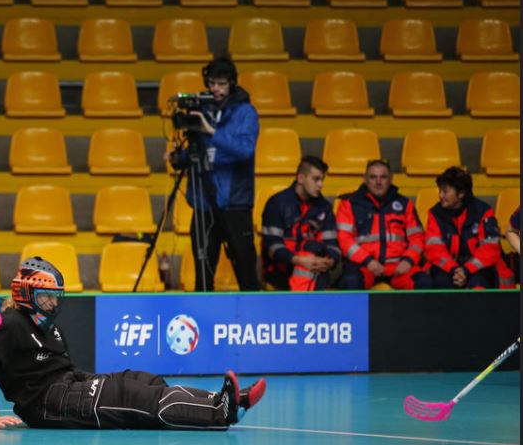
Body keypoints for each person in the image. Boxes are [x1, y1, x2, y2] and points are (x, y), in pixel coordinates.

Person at [0, 257, 266, 431]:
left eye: (56, 296)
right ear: (26, 294)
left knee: (144, 380)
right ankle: (220, 414)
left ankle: (222, 400)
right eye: (47, 296)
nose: (54, 302)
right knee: (133, 397)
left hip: (68, 383)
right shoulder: (11, 323)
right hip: (47, 404)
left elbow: (61, 368)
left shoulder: (46, 325)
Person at [167, 57, 261, 292]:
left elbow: (245, 150)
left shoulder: (246, 112)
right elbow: (198, 150)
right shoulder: (202, 108)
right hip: (204, 203)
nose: (215, 89)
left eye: (221, 84)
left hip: (234, 203)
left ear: (232, 83)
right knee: (203, 272)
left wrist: (211, 131)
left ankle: (252, 310)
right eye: (212, 83)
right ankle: (203, 313)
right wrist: (178, 158)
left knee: (246, 271)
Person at [336, 159, 430, 290]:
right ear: (365, 179)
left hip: (398, 266)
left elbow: (417, 238)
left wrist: (408, 260)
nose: (378, 182)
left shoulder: (405, 204)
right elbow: (344, 240)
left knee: (424, 282)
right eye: (373, 177)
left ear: (391, 179)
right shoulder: (350, 203)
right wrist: (368, 261)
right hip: (364, 265)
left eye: (383, 177)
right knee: (350, 282)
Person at [261, 156, 341, 291]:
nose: (320, 185)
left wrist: (330, 261)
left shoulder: (325, 208)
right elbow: (272, 247)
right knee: (310, 255)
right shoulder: (276, 204)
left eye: (322, 180)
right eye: (316, 179)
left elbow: (333, 244)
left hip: (316, 268)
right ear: (300, 178)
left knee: (314, 249)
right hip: (281, 270)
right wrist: (299, 260)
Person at [424, 167, 512, 290]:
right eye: (440, 191)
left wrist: (466, 270)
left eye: (445, 192)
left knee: (479, 281)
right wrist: (454, 269)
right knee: (441, 282)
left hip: (479, 268)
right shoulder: (435, 214)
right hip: (448, 269)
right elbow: (434, 249)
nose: (440, 195)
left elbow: (489, 249)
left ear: (461, 194)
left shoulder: (483, 211)